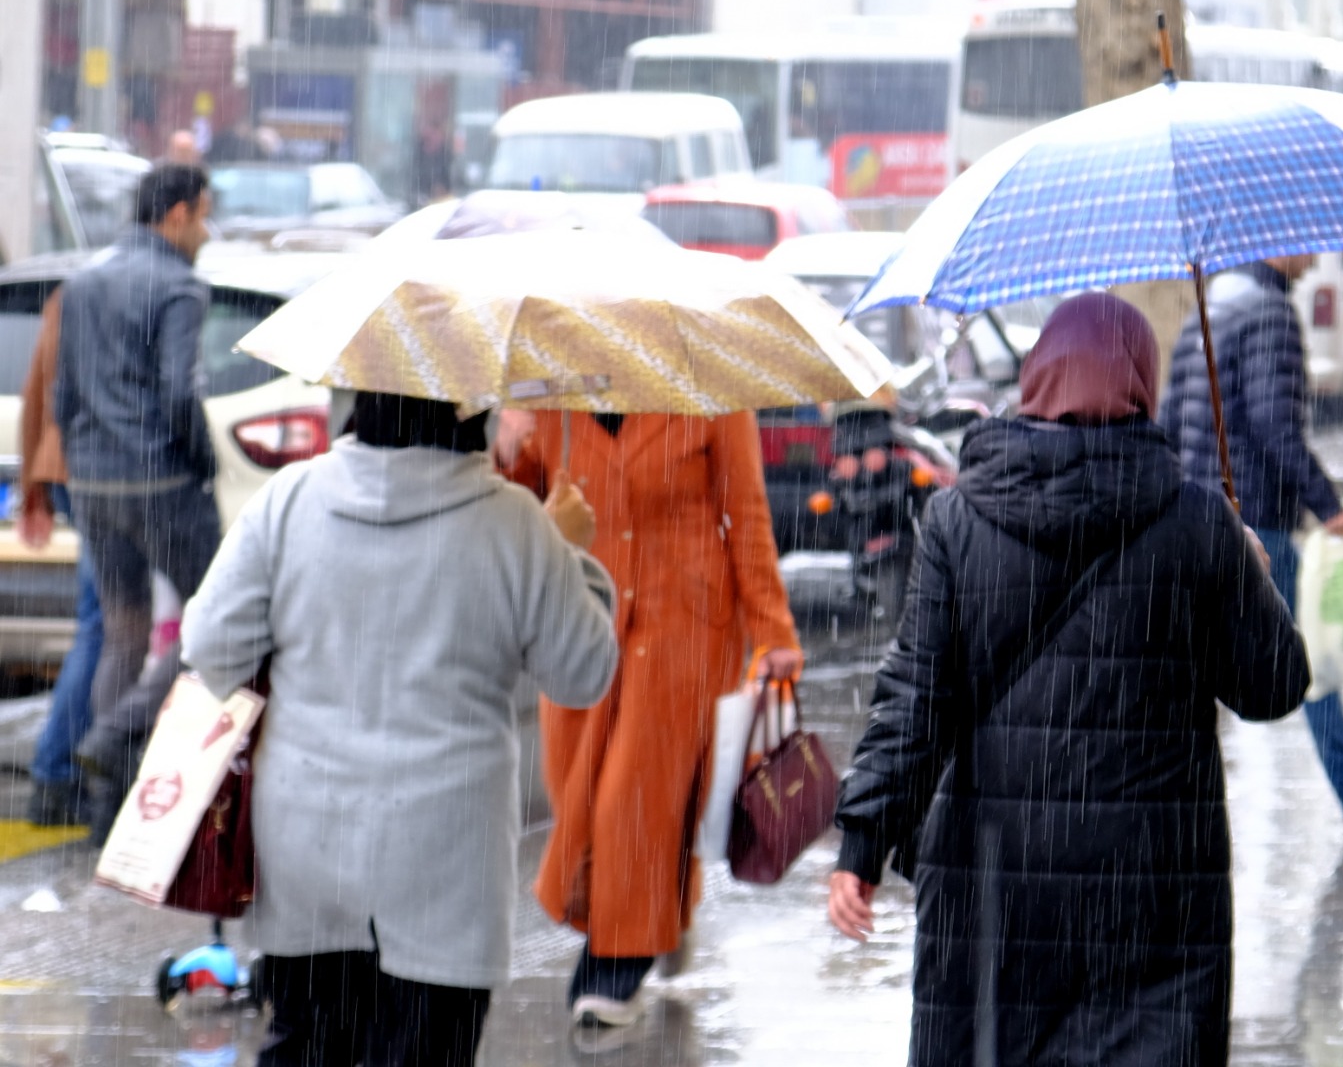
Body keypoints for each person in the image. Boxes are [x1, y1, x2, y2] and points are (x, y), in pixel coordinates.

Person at [827, 293, 1311, 1066]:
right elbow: (1273, 687)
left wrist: (861, 843)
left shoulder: (957, 519)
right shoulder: (1196, 521)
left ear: (1037, 380)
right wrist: (1250, 568)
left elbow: (915, 697)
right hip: (1151, 885)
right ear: (1142, 385)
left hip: (997, 881)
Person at [180, 392, 619, 1066]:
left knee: (305, 1044)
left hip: (306, 843)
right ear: (472, 411)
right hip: (446, 857)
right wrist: (574, 558)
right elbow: (582, 673)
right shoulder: (513, 524)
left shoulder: (291, 499)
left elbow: (212, 649)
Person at [497, 408, 804, 1027]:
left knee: (635, 799)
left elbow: (745, 514)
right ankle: (655, 910)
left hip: (684, 620)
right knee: (576, 793)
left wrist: (773, 632)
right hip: (581, 615)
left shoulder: (708, 391)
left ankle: (618, 955)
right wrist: (508, 447)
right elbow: (514, 506)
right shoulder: (554, 394)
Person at [1159, 255, 1343, 826]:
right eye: (1303, 241)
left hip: (1196, 518)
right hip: (1253, 518)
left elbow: (1170, 417)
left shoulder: (1211, 306)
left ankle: (1177, 797)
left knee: (1193, 662)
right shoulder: (1269, 312)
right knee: (1304, 655)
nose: (1314, 253)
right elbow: (1274, 424)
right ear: (1273, 248)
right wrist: (1328, 506)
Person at [54, 163, 218, 842]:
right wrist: (201, 463)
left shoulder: (86, 282)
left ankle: (103, 805)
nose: (208, 233)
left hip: (93, 480)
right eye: (205, 216)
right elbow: (179, 393)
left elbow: (65, 393)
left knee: (123, 630)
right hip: (160, 480)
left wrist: (81, 467)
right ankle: (120, 735)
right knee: (216, 623)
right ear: (177, 213)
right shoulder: (179, 288)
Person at [18, 289, 103, 826]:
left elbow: (35, 393)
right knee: (109, 625)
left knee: (106, 623)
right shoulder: (149, 289)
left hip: (69, 466)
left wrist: (34, 485)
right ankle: (58, 773)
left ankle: (65, 771)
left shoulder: (74, 294)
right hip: (108, 471)